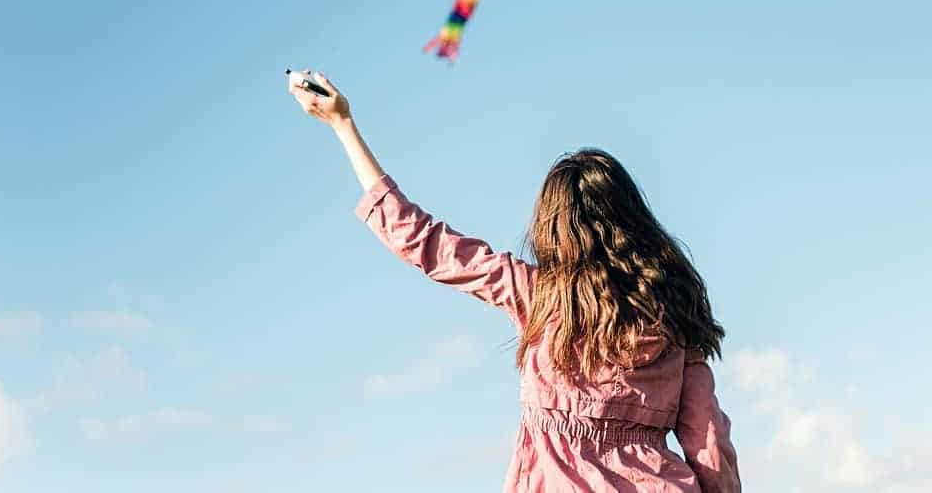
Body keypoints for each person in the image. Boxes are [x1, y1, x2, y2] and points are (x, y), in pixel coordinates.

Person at [289, 71, 741, 493]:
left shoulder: (536, 296)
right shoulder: (673, 317)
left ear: (553, 226)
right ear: (633, 219)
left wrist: (343, 125)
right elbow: (708, 441)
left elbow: (422, 240)